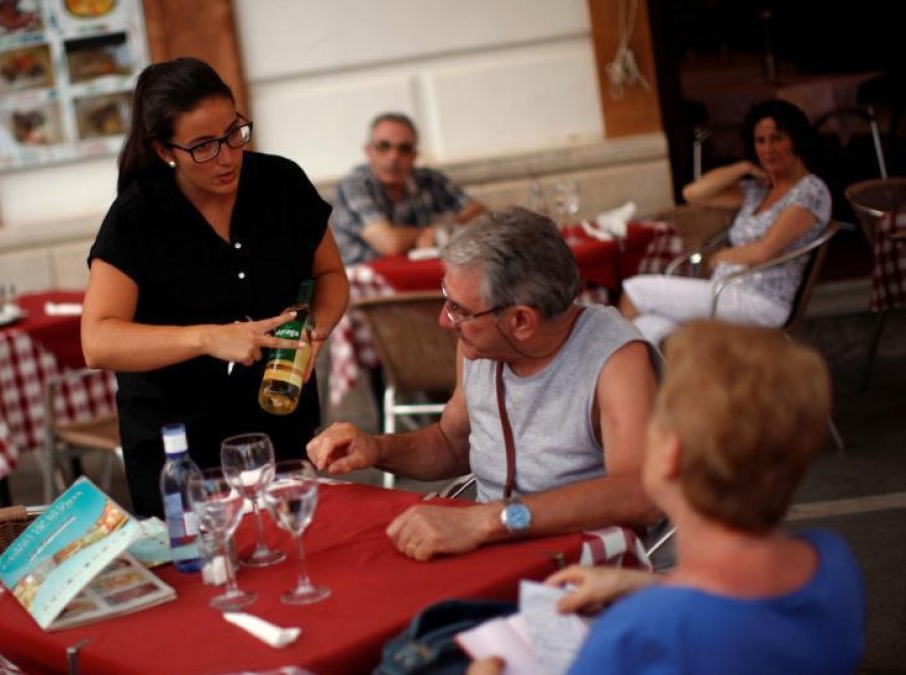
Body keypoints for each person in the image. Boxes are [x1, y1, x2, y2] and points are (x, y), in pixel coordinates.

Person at [468, 321, 866, 675]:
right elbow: (744, 616)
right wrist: (645, 584)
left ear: (671, 455)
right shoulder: (833, 563)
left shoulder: (640, 632)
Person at [308, 208, 663, 561]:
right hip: (490, 548)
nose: (444, 320)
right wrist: (377, 449)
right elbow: (453, 443)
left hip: (583, 561)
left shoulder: (615, 359)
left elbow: (638, 496)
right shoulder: (478, 345)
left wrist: (490, 520)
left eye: (459, 309)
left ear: (520, 320)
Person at [82, 57, 349, 518]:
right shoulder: (137, 217)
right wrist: (209, 337)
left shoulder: (281, 183)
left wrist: (313, 335)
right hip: (181, 451)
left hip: (281, 426)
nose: (227, 156)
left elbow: (330, 277)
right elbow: (98, 341)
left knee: (297, 558)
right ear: (165, 150)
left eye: (233, 133)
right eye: (203, 146)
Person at [619, 99, 831, 345]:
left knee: (636, 290)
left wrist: (722, 256)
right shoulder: (758, 190)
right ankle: (667, 383)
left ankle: (624, 379)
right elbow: (693, 194)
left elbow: (765, 251)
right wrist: (744, 167)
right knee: (651, 326)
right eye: (760, 141)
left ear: (797, 139)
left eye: (777, 138)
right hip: (726, 294)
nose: (768, 149)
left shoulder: (810, 191)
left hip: (760, 301)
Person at [331, 112, 486, 264]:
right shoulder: (355, 185)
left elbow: (480, 213)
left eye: (404, 149)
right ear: (368, 151)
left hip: (414, 275)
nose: (394, 157)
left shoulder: (429, 180)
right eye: (383, 147)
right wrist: (432, 233)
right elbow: (390, 244)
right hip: (363, 283)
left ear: (414, 155)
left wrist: (447, 227)